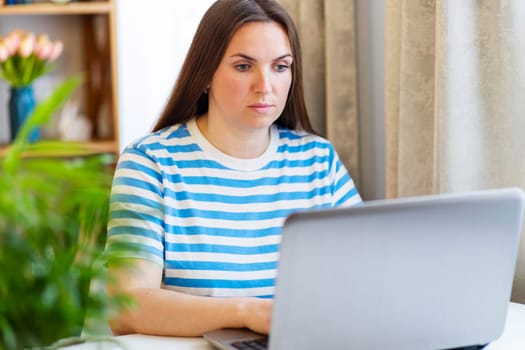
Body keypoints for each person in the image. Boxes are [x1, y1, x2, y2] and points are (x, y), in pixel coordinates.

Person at [106, 0, 361, 338]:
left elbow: (366, 279)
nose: (265, 85)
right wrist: (247, 311)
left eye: (280, 67)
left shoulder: (318, 160)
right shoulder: (151, 163)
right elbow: (126, 306)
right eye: (243, 66)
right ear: (206, 74)